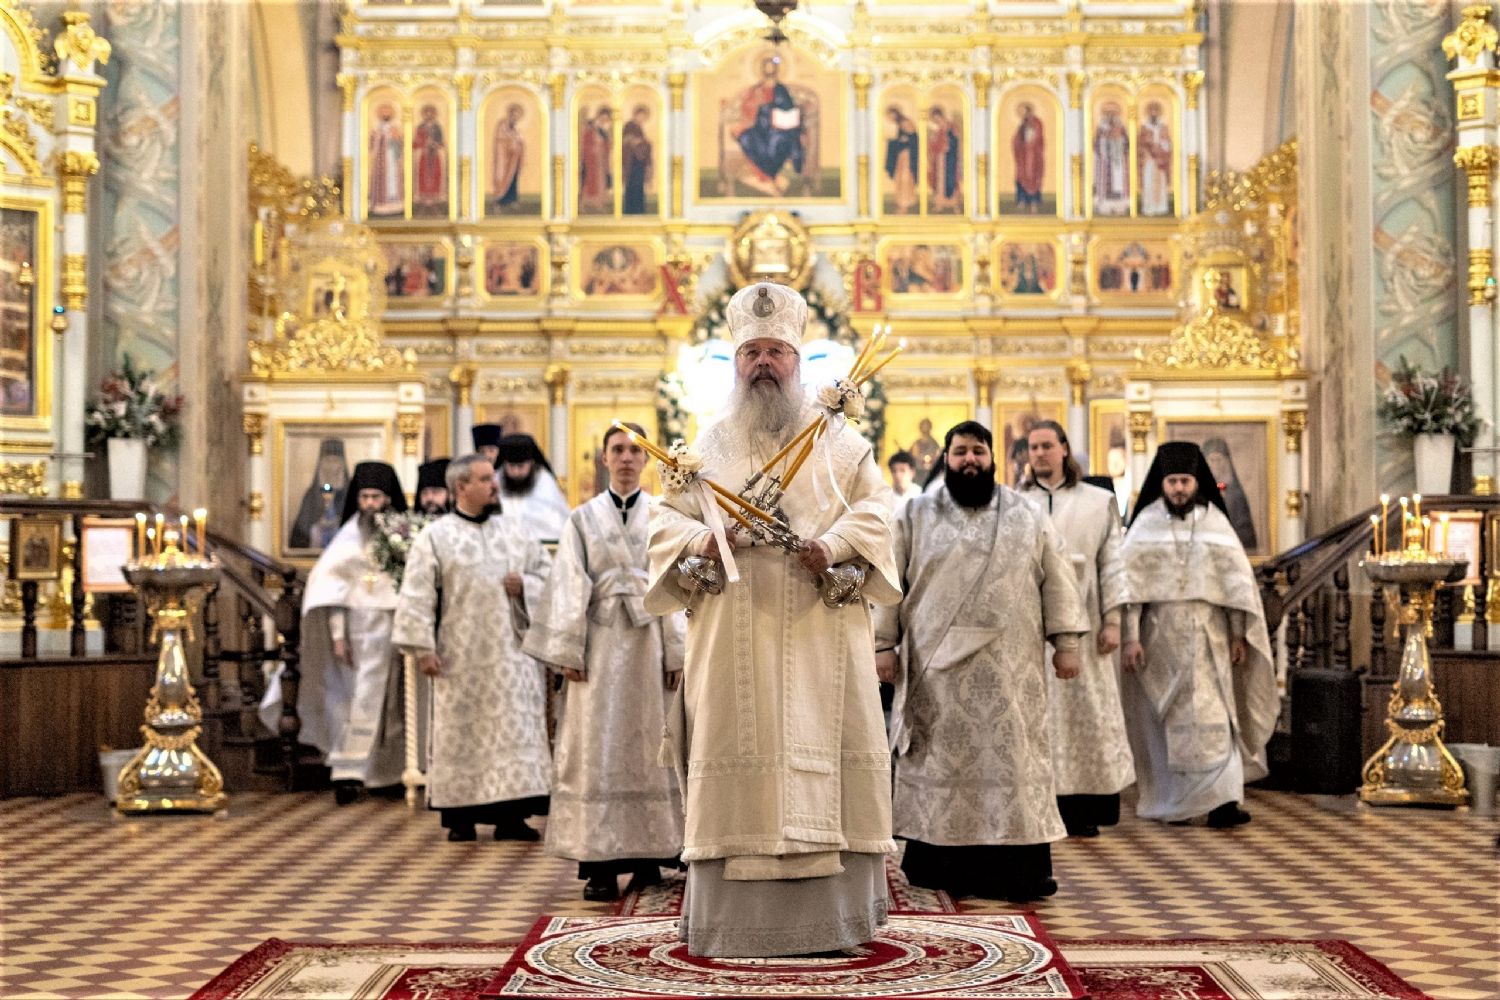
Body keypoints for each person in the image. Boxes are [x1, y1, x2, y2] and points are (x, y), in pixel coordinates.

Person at [646, 281, 901, 957]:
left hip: (820, 628)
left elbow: (879, 513)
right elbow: (662, 523)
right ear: (736, 362)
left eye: (776, 351)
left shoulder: (841, 443)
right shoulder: (705, 448)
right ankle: (734, 926)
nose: (764, 362)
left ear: (798, 360)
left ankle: (834, 923)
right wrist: (703, 541)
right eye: (751, 351)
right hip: (732, 630)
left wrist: (834, 546)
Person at [875, 421, 1087, 902]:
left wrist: (1067, 642)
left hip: (1011, 669)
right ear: (945, 458)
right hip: (936, 672)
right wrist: (883, 644)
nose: (969, 459)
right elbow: (889, 580)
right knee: (941, 761)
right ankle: (939, 863)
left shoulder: (1026, 513)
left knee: (1013, 762)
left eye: (978, 451)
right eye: (960, 452)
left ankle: (1019, 870)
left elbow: (1057, 576)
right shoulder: (915, 513)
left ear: (993, 458)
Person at [524, 423, 685, 901]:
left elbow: (676, 582)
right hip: (597, 645)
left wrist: (677, 650)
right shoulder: (581, 519)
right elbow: (568, 582)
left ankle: (651, 855)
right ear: (604, 458)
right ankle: (599, 864)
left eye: (635, 451)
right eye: (618, 450)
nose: (627, 458)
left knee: (651, 745)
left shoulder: (665, 516)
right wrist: (568, 651)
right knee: (598, 748)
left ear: (647, 460)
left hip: (650, 646)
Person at [1119, 442, 1279, 829]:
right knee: (1166, 718)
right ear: (1161, 484)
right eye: (1172, 482)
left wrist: (1238, 634)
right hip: (1160, 638)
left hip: (1210, 636)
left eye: (1185, 482)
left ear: (1197, 483)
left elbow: (1235, 587)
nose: (1178, 489)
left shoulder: (1215, 523)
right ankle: (1177, 802)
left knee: (1217, 714)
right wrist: (1131, 638)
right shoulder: (1145, 525)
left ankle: (1224, 802)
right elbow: (1130, 591)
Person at [393, 454, 553, 841]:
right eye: (484, 479)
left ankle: (511, 817)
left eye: (492, 479)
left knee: (513, 732)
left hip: (512, 657)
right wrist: (423, 647)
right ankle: (460, 817)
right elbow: (416, 595)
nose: (494, 485)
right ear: (460, 487)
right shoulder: (436, 537)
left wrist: (526, 586)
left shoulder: (515, 531)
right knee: (461, 735)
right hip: (458, 656)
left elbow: (549, 575)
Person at [261, 462, 409, 805]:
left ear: (389, 499)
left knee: (390, 704)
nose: (369, 504)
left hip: (392, 632)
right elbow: (332, 591)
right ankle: (348, 771)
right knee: (352, 701)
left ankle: (386, 772)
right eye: (364, 497)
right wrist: (339, 637)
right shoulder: (346, 538)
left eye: (376, 497)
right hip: (354, 638)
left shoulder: (401, 537)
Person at [1019, 422, 1134, 838]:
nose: (1040, 453)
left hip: (1087, 625)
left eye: (1047, 445)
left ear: (1064, 449)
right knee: (1037, 715)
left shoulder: (1099, 502)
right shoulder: (1017, 503)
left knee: (1087, 713)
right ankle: (1040, 803)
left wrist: (1114, 622)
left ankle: (1085, 807)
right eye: (1033, 447)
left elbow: (1113, 564)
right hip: (1031, 627)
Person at [734, 55, 804, 195]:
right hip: (760, 127)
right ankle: (771, 178)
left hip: (779, 128)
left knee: (777, 142)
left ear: (776, 70)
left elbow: (788, 108)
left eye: (772, 67)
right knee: (746, 137)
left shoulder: (781, 89)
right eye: (767, 67)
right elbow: (747, 107)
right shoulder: (757, 89)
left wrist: (774, 108)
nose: (769, 70)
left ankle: (770, 176)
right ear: (762, 70)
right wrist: (757, 105)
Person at [496, 433, 571, 542]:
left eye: (521, 466)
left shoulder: (544, 481)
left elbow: (554, 524)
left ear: (531, 463)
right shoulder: (496, 480)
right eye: (511, 466)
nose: (516, 472)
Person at [289, 439, 349, 551]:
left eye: (335, 461)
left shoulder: (350, 494)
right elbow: (299, 537)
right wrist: (317, 529)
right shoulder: (311, 495)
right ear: (321, 464)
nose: (331, 466)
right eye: (327, 460)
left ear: (342, 465)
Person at [1201, 437, 1258, 551]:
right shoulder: (1197, 493)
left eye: (1219, 460)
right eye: (1212, 460)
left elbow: (1246, 532)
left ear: (1226, 462)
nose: (1216, 464)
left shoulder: (1236, 495)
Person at [1093, 102, 1129, 217]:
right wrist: (1106, 138)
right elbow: (1096, 144)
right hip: (1105, 162)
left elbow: (1127, 143)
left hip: (1118, 161)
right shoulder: (1101, 128)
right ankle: (1104, 206)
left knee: (1118, 182)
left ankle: (1119, 206)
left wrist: (1119, 139)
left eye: (1113, 113)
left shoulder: (1121, 127)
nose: (1111, 116)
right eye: (1108, 113)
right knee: (1105, 182)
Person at [1138, 101, 1172, 217]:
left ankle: (1161, 207)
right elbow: (1140, 144)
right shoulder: (1144, 128)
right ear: (1148, 113)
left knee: (1160, 182)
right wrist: (1149, 148)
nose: (1153, 113)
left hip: (1160, 161)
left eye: (1156, 111)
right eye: (1151, 111)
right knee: (1148, 182)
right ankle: (1149, 208)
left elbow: (1168, 143)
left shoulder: (1163, 127)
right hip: (1149, 160)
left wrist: (1162, 146)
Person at [368, 103, 403, 217]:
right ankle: (380, 203)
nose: (385, 114)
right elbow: (372, 142)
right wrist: (379, 136)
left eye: (388, 112)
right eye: (383, 112)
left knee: (393, 178)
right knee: (381, 178)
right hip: (381, 158)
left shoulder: (395, 128)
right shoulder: (376, 128)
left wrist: (395, 137)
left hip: (392, 158)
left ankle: (394, 201)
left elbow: (400, 142)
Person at [491, 103, 526, 212]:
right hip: (503, 159)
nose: (515, 118)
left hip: (514, 159)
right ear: (510, 114)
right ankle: (498, 203)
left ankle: (511, 200)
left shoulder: (514, 128)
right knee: (501, 178)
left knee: (513, 179)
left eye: (518, 116)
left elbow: (519, 140)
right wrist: (512, 142)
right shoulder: (502, 125)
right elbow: (500, 139)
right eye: (514, 115)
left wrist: (519, 143)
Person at [413, 104, 447, 214]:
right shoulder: (420, 127)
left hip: (435, 155)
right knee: (423, 177)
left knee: (435, 176)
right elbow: (415, 142)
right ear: (423, 115)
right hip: (423, 156)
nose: (429, 115)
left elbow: (441, 142)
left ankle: (434, 203)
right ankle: (423, 202)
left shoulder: (437, 127)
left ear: (434, 114)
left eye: (431, 113)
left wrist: (434, 144)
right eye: (426, 113)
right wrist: (422, 144)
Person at [1012, 102, 1045, 213]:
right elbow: (1017, 140)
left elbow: (1039, 138)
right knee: (1021, 177)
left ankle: (1033, 203)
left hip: (1034, 156)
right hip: (1023, 156)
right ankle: (1022, 201)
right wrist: (1018, 144)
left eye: (1026, 112)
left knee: (1033, 178)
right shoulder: (1022, 125)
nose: (1024, 115)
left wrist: (1030, 145)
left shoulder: (1037, 123)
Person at [579, 106, 613, 214]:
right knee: (588, 181)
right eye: (603, 117)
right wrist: (593, 149)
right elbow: (585, 143)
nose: (604, 120)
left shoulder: (602, 130)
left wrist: (604, 147)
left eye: (606, 118)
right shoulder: (591, 127)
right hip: (590, 160)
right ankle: (582, 205)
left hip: (600, 160)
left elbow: (607, 144)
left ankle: (599, 204)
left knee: (601, 182)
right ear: (599, 116)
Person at [885, 106, 919, 214]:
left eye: (891, 115)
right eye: (889, 116)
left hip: (906, 157)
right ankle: (902, 203)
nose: (890, 118)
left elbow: (913, 137)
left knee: (905, 180)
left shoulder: (904, 122)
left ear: (896, 113)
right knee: (900, 180)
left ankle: (904, 206)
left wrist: (904, 141)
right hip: (902, 157)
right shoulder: (899, 124)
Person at [927, 106, 961, 212]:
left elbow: (955, 141)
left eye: (937, 118)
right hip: (939, 159)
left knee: (951, 180)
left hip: (950, 158)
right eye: (934, 119)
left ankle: (955, 205)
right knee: (939, 181)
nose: (936, 120)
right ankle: (940, 204)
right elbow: (933, 143)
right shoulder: (937, 129)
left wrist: (947, 145)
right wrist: (933, 142)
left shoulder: (951, 126)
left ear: (941, 115)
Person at [621, 105, 654, 215]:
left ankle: (638, 209)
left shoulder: (638, 127)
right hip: (631, 161)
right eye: (641, 116)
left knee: (638, 186)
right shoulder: (629, 125)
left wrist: (645, 143)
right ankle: (631, 210)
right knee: (632, 185)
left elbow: (641, 142)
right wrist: (641, 142)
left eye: (644, 117)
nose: (642, 119)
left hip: (639, 161)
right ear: (636, 114)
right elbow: (627, 141)